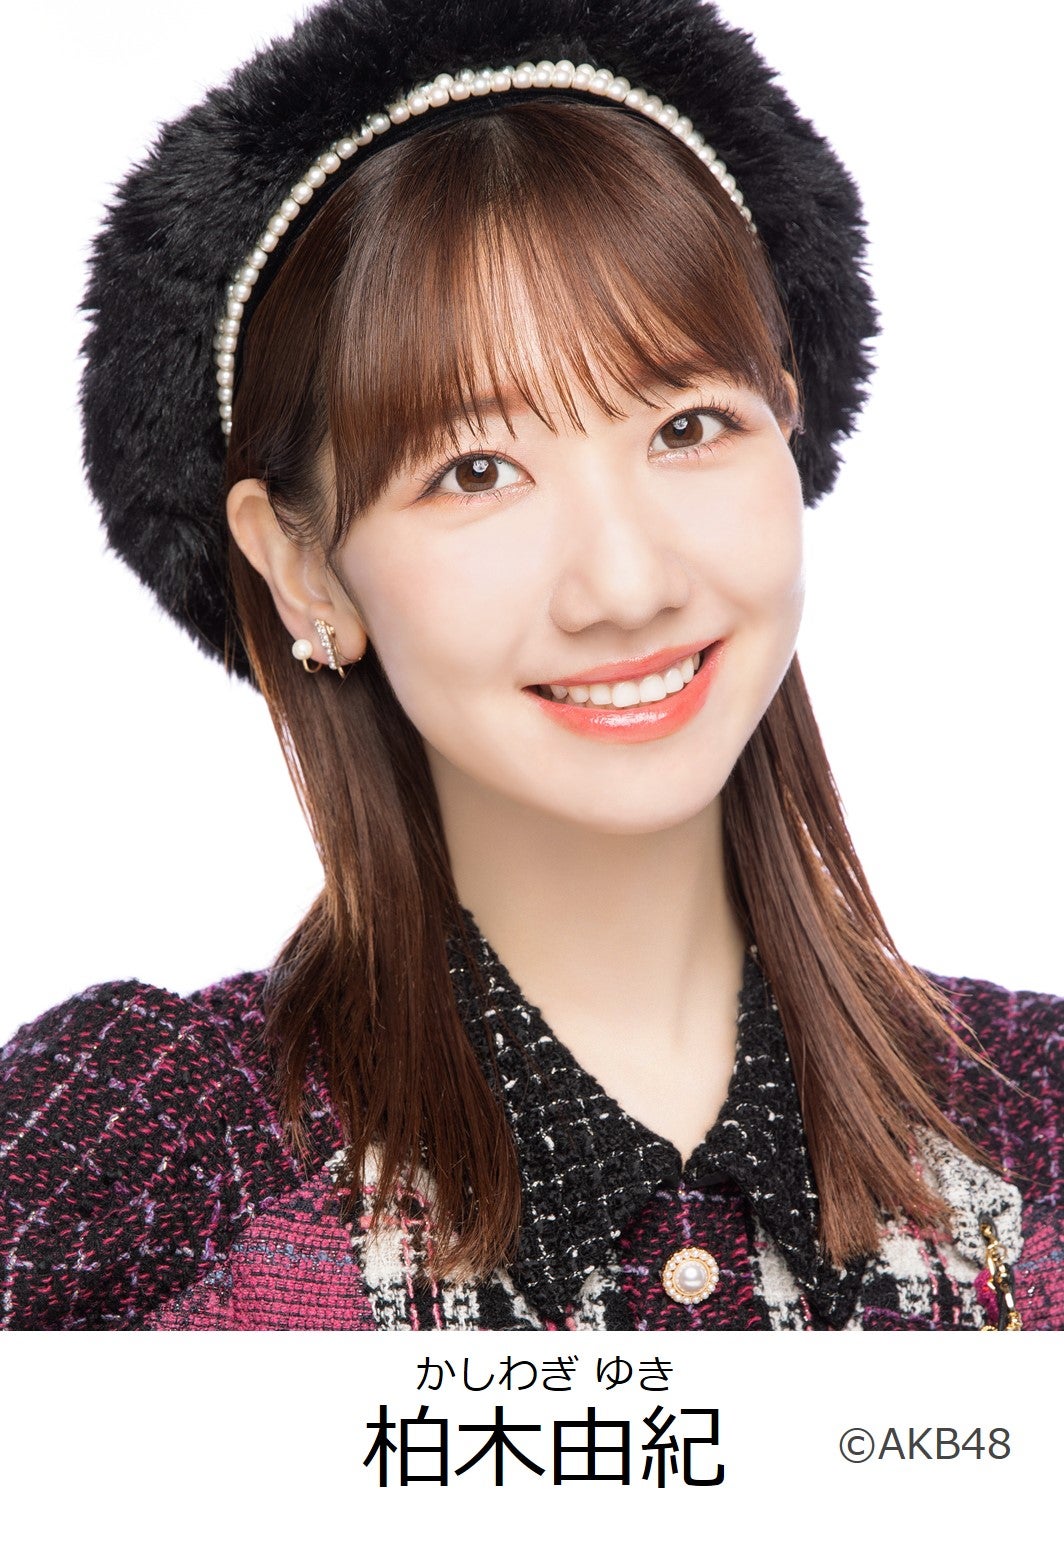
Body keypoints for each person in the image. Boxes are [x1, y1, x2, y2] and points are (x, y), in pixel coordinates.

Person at [1, 0, 1060, 1331]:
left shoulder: (1039, 1126)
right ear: (304, 568)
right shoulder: (137, 1168)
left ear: (788, 426)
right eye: (475, 471)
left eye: (689, 426)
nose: (626, 585)